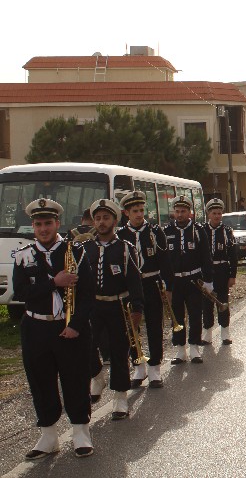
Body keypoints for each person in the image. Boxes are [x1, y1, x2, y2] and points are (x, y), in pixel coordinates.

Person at [13, 198, 95, 459]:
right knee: (40, 380)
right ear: (33, 226)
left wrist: (76, 326)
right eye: (38, 224)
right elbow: (21, 292)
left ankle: (81, 431)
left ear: (57, 223)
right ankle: (49, 435)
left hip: (67, 327)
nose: (43, 229)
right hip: (35, 327)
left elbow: (87, 295)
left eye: (48, 223)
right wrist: (53, 282)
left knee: (75, 378)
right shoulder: (24, 255)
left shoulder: (76, 252)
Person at [81, 198, 143, 421]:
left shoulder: (125, 249)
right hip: (92, 306)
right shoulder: (85, 248)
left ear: (115, 220)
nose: (101, 222)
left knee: (119, 351)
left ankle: (120, 397)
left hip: (118, 305)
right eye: (97, 218)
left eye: (106, 218)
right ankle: (97, 376)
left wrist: (137, 308)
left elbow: (135, 281)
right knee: (86, 345)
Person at [118, 190, 174, 389]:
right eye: (135, 211)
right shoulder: (120, 235)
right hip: (131, 288)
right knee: (132, 327)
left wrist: (168, 286)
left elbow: (165, 261)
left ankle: (155, 367)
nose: (139, 214)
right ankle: (138, 365)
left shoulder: (155, 232)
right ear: (126, 213)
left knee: (154, 325)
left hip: (151, 283)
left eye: (142, 210)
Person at [164, 196, 215, 364]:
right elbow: (162, 259)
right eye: (177, 211)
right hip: (175, 281)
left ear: (189, 213)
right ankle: (180, 349)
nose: (179, 214)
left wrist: (208, 281)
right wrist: (164, 282)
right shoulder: (167, 232)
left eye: (183, 211)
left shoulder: (198, 231)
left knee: (194, 314)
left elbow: (206, 257)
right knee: (177, 316)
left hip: (194, 280)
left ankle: (194, 347)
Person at [201, 199, 238, 346]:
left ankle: (225, 334)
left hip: (222, 271)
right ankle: (207, 334)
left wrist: (232, 275)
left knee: (223, 302)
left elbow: (233, 255)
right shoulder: (202, 230)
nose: (217, 216)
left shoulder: (227, 231)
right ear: (208, 214)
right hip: (206, 272)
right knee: (207, 304)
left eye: (219, 213)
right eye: (214, 213)